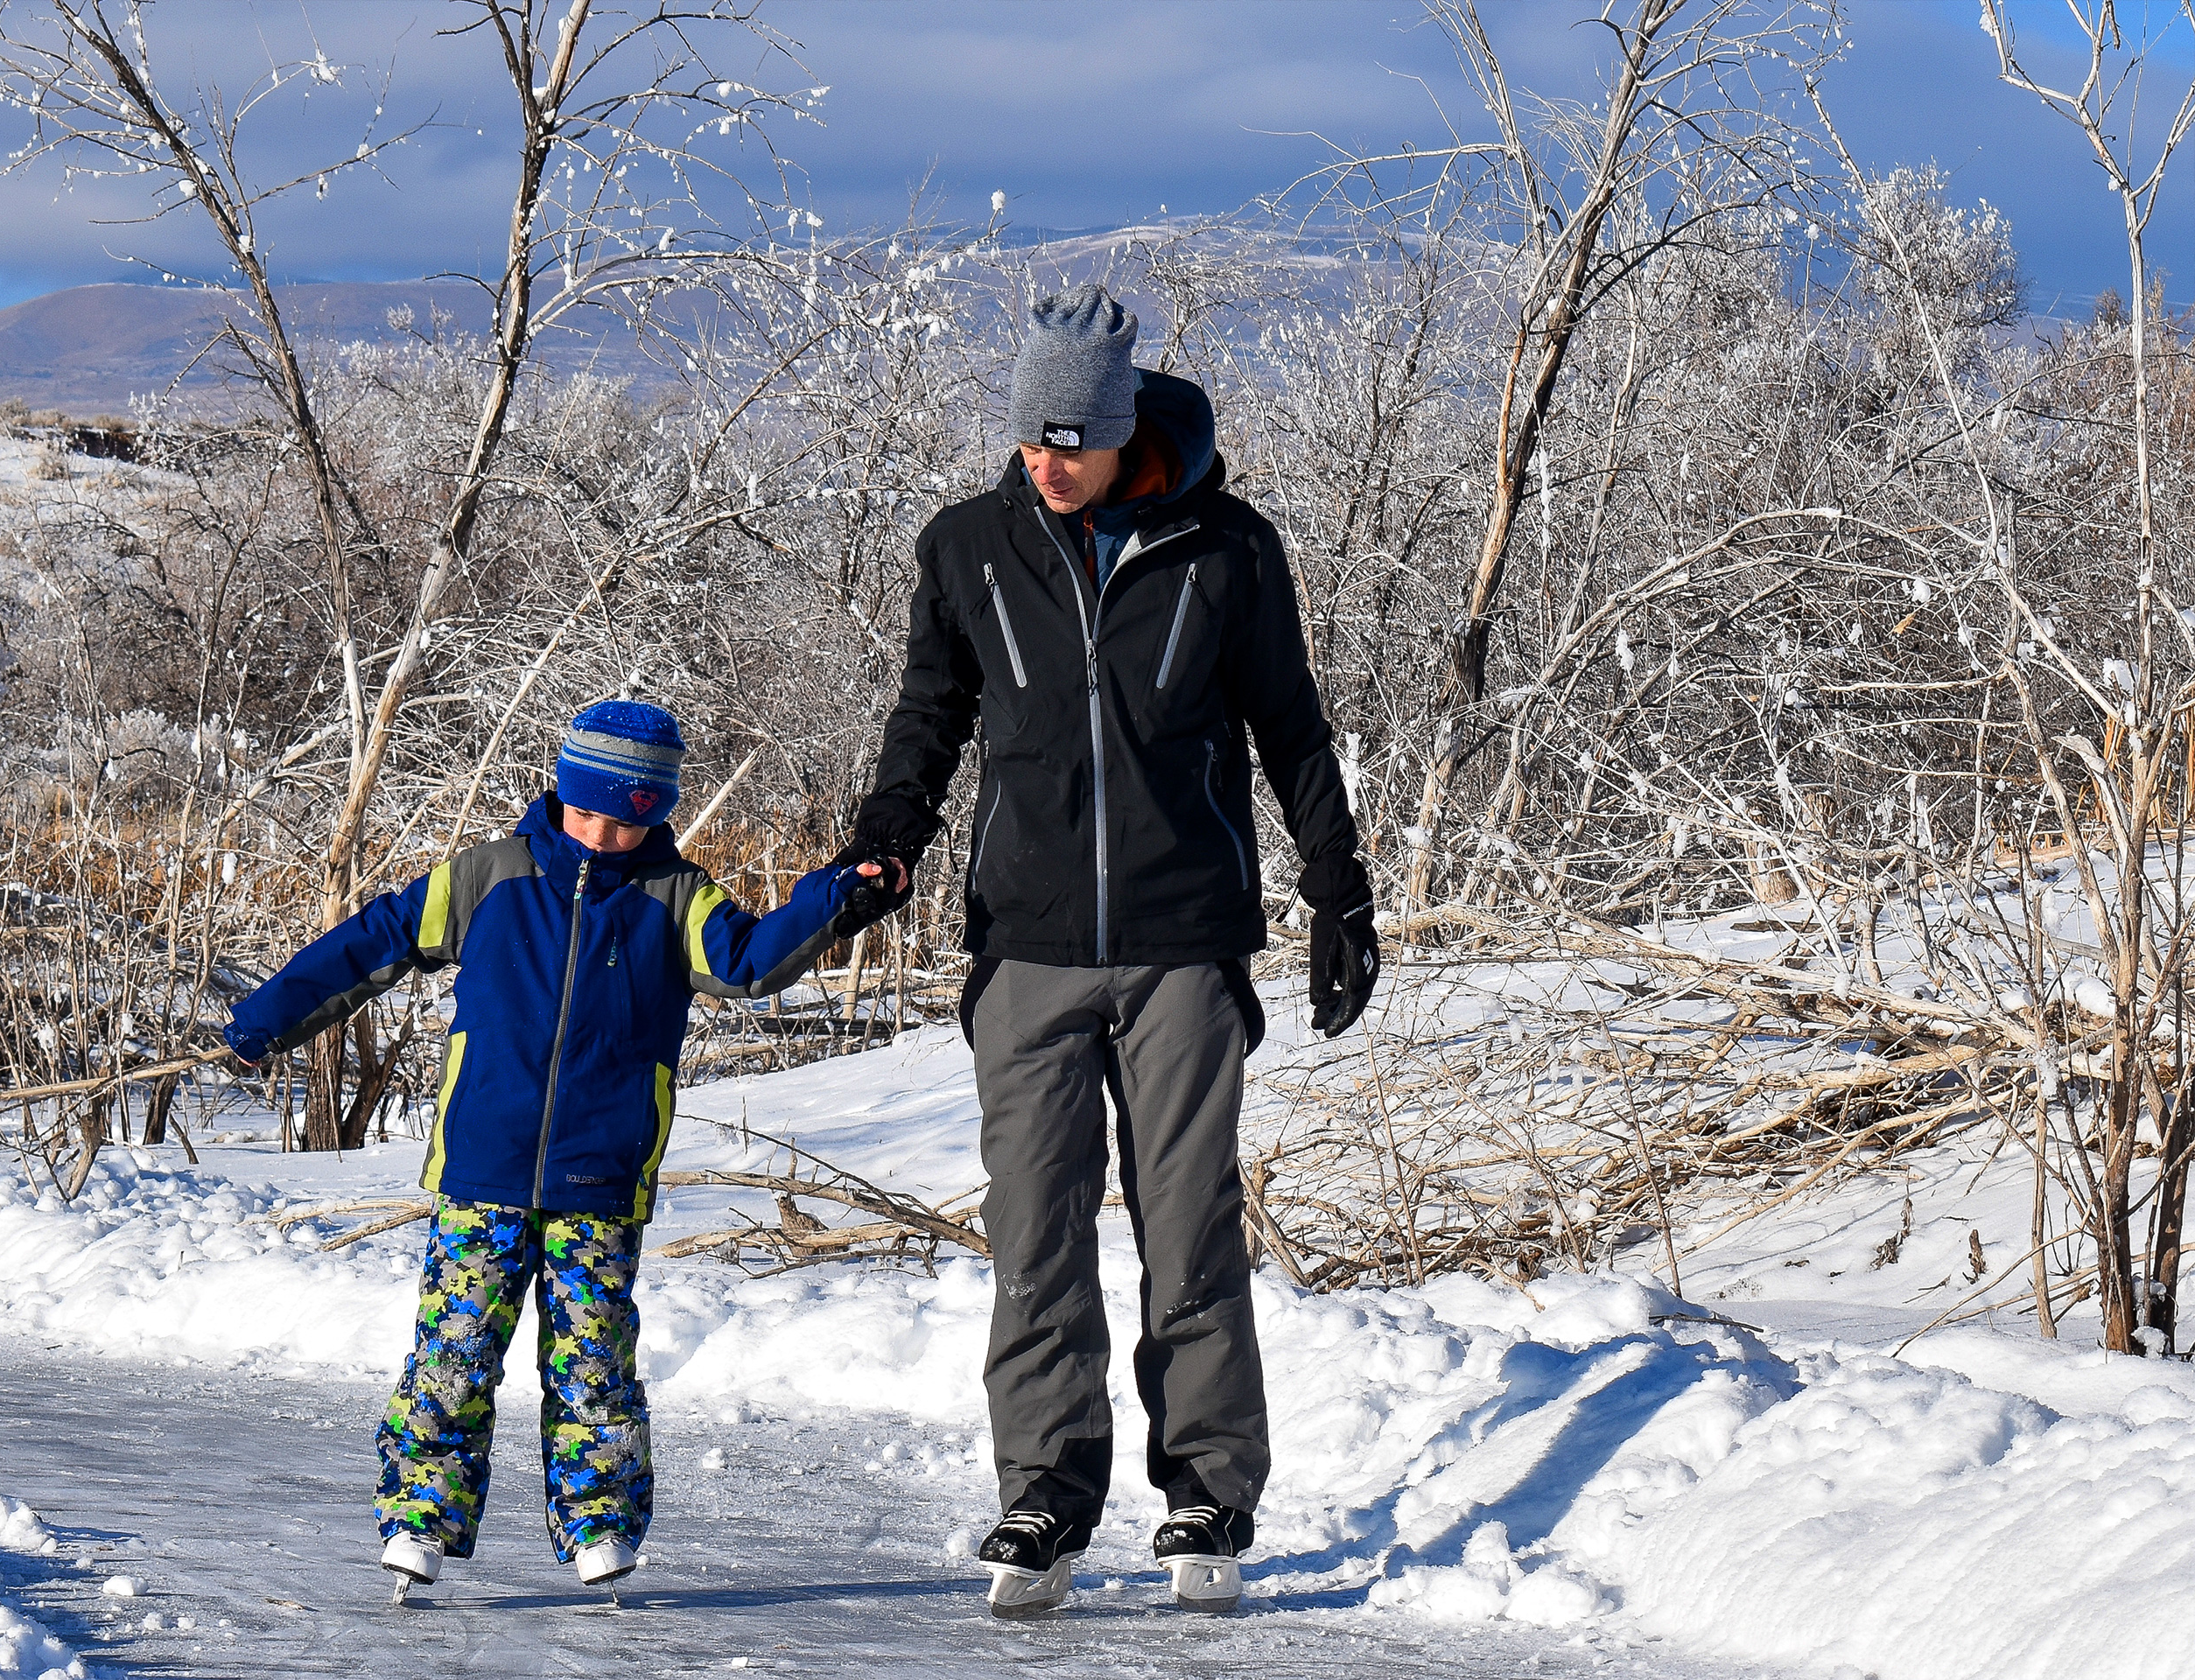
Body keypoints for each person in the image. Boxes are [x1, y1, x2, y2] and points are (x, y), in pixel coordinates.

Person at [835, 285, 1379, 1617]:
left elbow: (1290, 729)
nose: (1047, 464)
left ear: (1124, 427)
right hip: (1025, 947)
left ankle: (1206, 1490)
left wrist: (1338, 890)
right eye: (1030, 441)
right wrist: (885, 840)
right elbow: (929, 715)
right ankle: (1043, 1494)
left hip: (1184, 940)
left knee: (1188, 1227)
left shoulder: (1227, 547)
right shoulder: (969, 547)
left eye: (1069, 442)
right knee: (1034, 1229)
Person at [222, 699, 904, 1600]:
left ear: (658, 812)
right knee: (454, 1351)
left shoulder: (675, 898)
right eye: (588, 813)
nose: (605, 834)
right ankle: (421, 1520)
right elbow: (374, 940)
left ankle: (599, 1525)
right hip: (485, 1167)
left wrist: (830, 895)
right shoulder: (489, 877)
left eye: (629, 820)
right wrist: (269, 1017)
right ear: (559, 792)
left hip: (601, 1171)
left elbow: (748, 963)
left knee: (592, 1361)